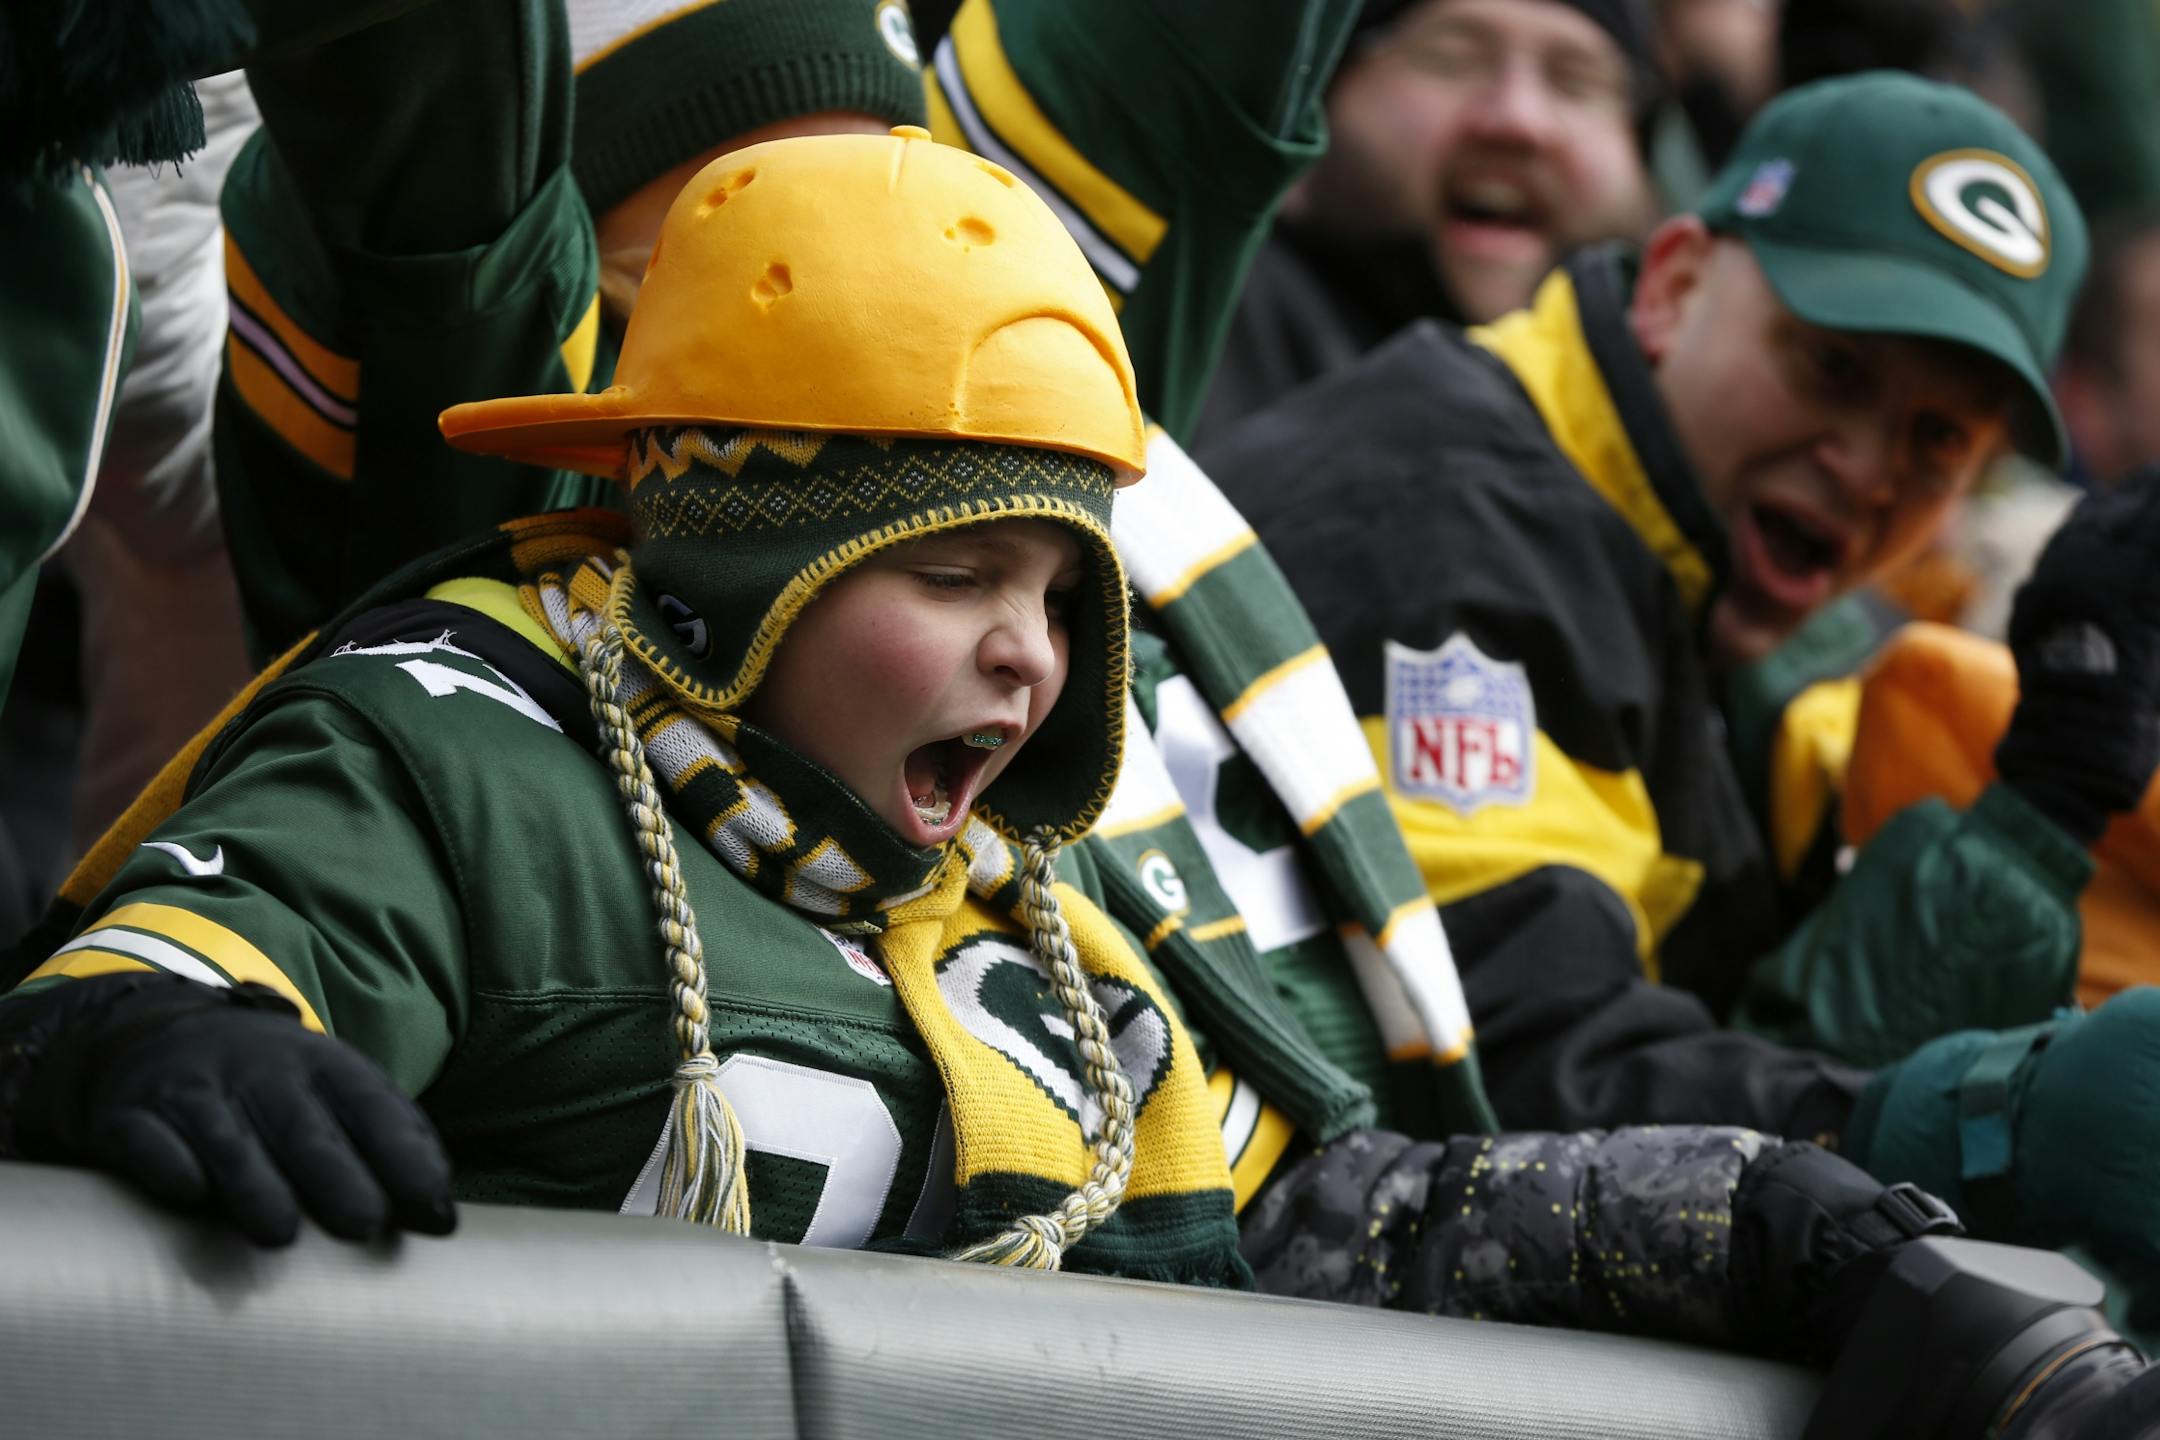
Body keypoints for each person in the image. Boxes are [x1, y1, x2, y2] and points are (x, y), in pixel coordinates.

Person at [8, 129, 2160, 1438]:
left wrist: (1759, 1234)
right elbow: (206, 969)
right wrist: (136, 1032)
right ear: (749, 532)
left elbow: (1331, 1234)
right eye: (952, 570)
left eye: (1059, 585)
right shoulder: (463, 741)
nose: (1034, 655)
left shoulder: (1039, 904)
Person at [1199, 70, 2160, 1249]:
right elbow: (1528, 1088)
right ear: (1674, 286)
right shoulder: (1450, 530)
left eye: (1937, 439)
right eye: (1833, 368)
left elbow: (1803, 1024)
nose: (1864, 468)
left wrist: (2049, 800)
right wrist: (1980, 1120)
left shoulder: (1767, 608)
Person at [1197, 0, 1662, 439]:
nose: (1519, 119)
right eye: (1451, 58)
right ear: (1314, 105)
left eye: (1576, 79)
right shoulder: (1196, 330)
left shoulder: (1675, 444)